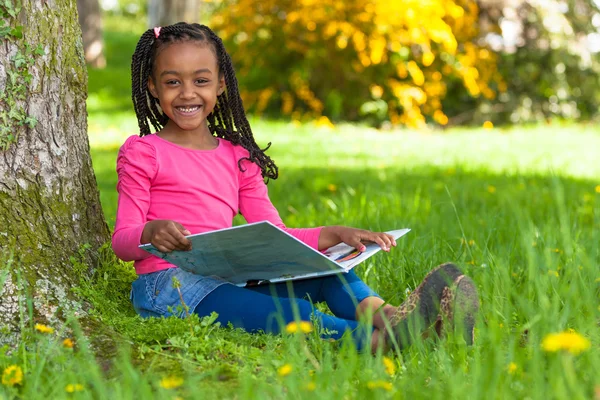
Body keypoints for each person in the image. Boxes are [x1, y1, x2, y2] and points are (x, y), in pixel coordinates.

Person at [112, 22, 479, 353]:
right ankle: (378, 343)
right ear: (153, 87)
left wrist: (331, 234)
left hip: (229, 277)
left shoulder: (239, 157)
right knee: (288, 312)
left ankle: (395, 319)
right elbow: (122, 241)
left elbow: (277, 237)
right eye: (172, 81)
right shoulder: (144, 152)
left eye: (201, 80)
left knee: (329, 274)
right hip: (171, 288)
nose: (187, 93)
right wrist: (149, 231)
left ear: (221, 84)